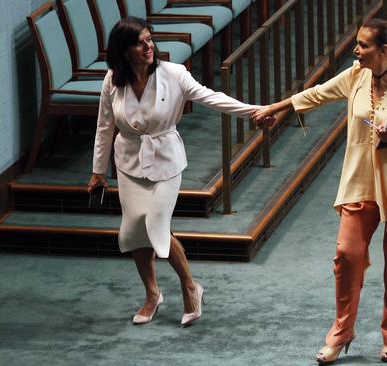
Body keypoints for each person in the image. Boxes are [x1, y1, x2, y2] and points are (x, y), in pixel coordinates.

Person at [253, 18, 387, 363]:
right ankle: (341, 332)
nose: (356, 50)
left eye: (363, 45)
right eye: (357, 44)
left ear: (384, 51)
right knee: (347, 256)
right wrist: (275, 109)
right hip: (360, 181)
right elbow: (318, 93)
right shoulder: (356, 75)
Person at [88, 17, 264, 327]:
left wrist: (254, 111)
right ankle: (152, 294)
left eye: (149, 39)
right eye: (140, 42)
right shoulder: (112, 79)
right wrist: (98, 171)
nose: (149, 46)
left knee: (156, 226)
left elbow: (212, 98)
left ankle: (190, 287)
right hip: (128, 163)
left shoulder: (174, 74)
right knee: (133, 232)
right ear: (124, 50)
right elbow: (105, 127)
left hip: (165, 160)